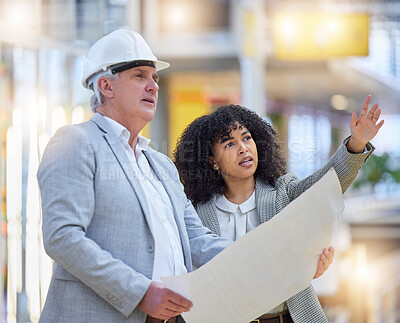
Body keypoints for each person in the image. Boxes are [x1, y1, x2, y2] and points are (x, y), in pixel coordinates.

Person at [37, 29, 333, 323]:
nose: (153, 86)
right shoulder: (76, 142)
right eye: (139, 76)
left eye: (155, 78)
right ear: (105, 86)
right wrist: (140, 292)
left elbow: (198, 241)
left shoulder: (160, 165)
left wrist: (290, 264)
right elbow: (62, 237)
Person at [174, 99, 383, 323]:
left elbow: (329, 183)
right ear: (212, 161)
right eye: (229, 144)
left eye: (246, 138)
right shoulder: (195, 213)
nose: (243, 148)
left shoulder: (282, 192)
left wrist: (357, 143)